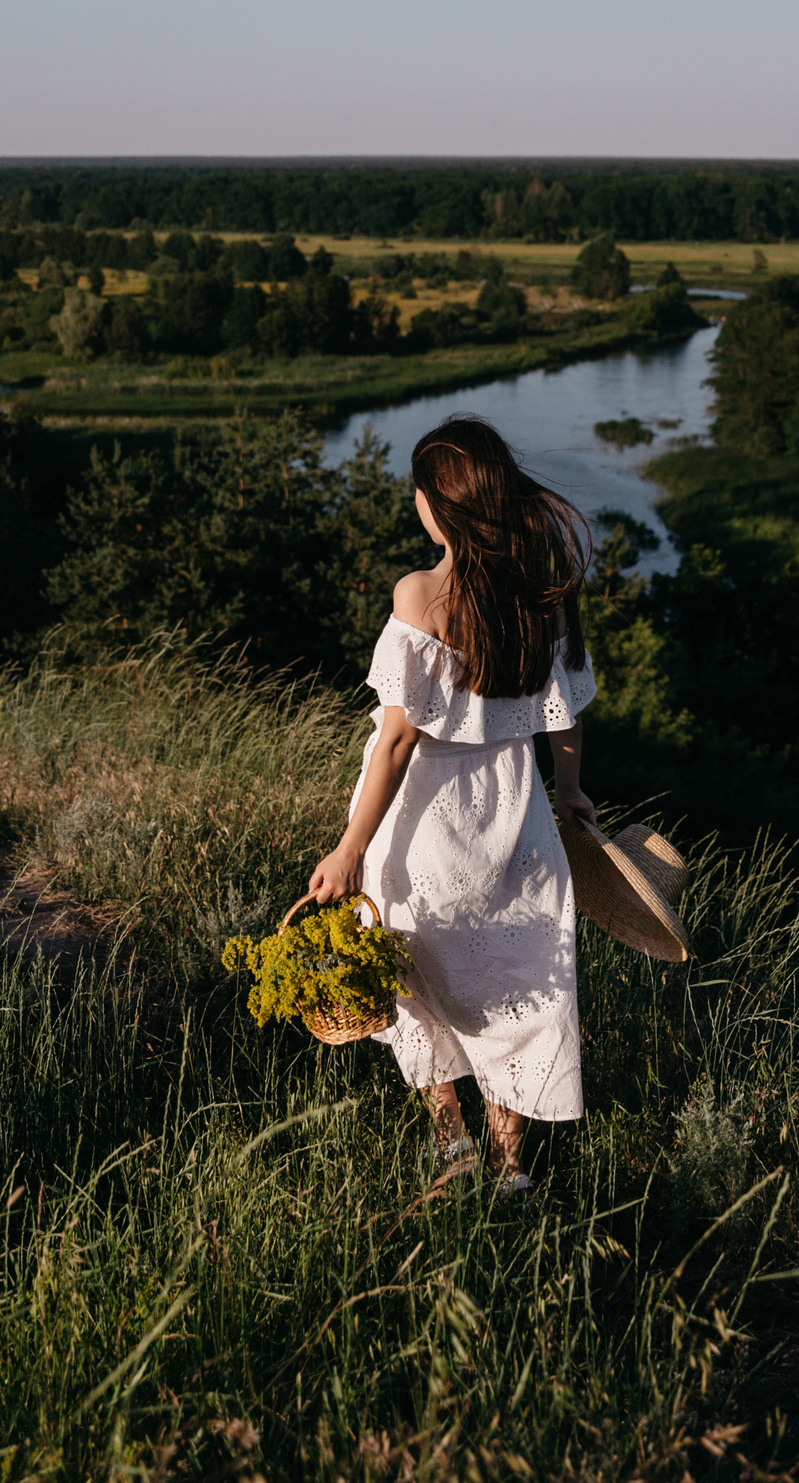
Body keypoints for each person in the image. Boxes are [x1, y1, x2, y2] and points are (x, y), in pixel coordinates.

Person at [306, 415, 597, 1193]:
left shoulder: (421, 593)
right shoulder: (546, 592)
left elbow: (397, 744)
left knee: (412, 969)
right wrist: (569, 796)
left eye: (423, 491)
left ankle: (452, 1143)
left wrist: (348, 847)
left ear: (443, 505)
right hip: (514, 808)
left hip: (429, 813)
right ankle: (510, 1166)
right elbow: (565, 717)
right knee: (523, 979)